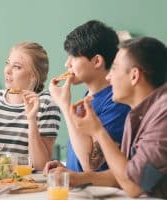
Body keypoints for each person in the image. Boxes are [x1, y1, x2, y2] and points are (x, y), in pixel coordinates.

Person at [45, 37, 167, 198]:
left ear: (134, 76)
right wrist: (74, 177)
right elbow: (124, 173)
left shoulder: (162, 116)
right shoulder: (137, 114)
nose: (109, 78)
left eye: (114, 69)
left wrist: (97, 131)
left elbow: (134, 185)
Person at [48, 20, 130, 172]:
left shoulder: (116, 103)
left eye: (74, 57)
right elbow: (82, 158)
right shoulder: (88, 97)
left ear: (97, 61)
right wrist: (68, 169)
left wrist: (65, 107)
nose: (67, 64)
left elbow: (91, 167)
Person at [0, 42, 61, 170]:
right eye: (7, 63)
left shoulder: (46, 104)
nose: (7, 70)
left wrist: (31, 119)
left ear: (33, 76)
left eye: (16, 67)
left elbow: (41, 165)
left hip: (28, 184)